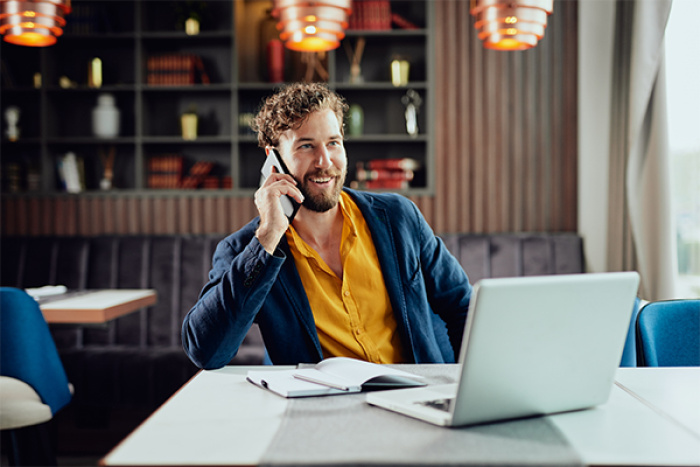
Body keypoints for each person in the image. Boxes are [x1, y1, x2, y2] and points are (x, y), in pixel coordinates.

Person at [182, 82, 472, 369]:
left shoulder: (399, 217)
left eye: (333, 143)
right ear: (273, 160)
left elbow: (464, 307)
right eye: (306, 146)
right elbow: (206, 352)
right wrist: (268, 237)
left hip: (413, 399)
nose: (325, 161)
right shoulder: (248, 249)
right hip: (323, 408)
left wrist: (463, 385)